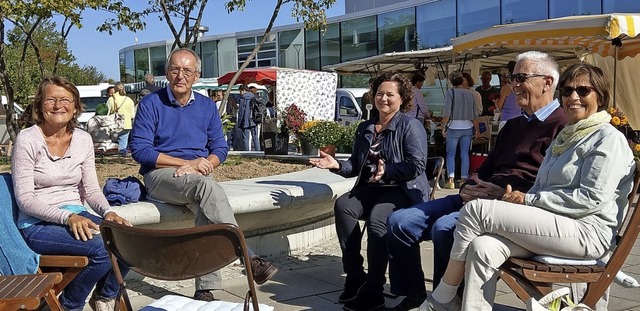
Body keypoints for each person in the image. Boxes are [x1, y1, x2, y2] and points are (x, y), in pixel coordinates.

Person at [424, 62, 636, 311]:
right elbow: (543, 186)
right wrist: (518, 197)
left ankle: (442, 298)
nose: (573, 97)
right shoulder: (567, 136)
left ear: (600, 96)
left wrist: (528, 200)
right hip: (555, 224)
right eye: (567, 91)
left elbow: (590, 199)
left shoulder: (607, 138)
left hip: (587, 232)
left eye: (583, 91)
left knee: (476, 211)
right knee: (483, 246)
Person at [386, 51, 569, 311]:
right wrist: (469, 185)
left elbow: (551, 184)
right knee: (399, 222)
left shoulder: (562, 127)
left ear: (547, 83)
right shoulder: (513, 126)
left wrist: (502, 193)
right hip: (478, 196)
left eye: (520, 77)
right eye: (511, 77)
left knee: (444, 228)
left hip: (512, 206)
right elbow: (486, 167)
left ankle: (448, 302)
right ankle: (413, 295)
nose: (513, 84)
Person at [129, 48, 277, 302]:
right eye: (175, 69)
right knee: (207, 188)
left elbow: (220, 147)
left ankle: (205, 289)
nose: (180, 76)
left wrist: (205, 163)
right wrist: (187, 163)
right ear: (166, 73)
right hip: (161, 175)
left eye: (187, 71)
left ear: (196, 76)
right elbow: (140, 150)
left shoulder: (207, 106)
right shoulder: (150, 104)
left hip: (196, 177)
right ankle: (248, 257)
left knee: (205, 207)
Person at [309, 72, 429, 311]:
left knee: (377, 219)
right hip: (371, 188)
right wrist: (336, 165)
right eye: (379, 93)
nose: (383, 98)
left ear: (403, 97)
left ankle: (374, 287)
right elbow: (355, 164)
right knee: (344, 205)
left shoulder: (410, 125)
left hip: (403, 190)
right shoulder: (365, 127)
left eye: (390, 94)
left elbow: (417, 165)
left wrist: (390, 170)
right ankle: (355, 276)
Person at [12, 76, 132, 311]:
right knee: (101, 248)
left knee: (129, 239)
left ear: (76, 106)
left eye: (65, 100)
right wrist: (67, 218)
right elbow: (25, 200)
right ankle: (69, 305)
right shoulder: (27, 140)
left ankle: (105, 296)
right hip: (37, 224)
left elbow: (90, 190)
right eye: (51, 100)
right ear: (39, 105)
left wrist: (108, 212)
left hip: (76, 215)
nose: (58, 106)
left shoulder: (83, 139)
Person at [442, 72, 480, 189]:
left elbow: (447, 112)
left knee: (451, 154)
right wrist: (477, 130)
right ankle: (463, 179)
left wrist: (443, 126)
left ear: (451, 82)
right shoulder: (470, 94)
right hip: (468, 126)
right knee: (464, 154)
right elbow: (475, 114)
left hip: (453, 126)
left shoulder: (450, 93)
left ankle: (451, 180)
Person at [106, 82, 135, 156]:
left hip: (114, 124)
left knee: (112, 141)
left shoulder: (111, 99)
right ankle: (122, 154)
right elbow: (132, 115)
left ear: (115, 89)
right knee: (123, 141)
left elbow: (107, 113)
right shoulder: (129, 100)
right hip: (126, 124)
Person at [496, 61, 520, 130]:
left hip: (507, 119)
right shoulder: (523, 87)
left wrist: (496, 101)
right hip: (520, 120)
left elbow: (499, 105)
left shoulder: (506, 88)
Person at [237, 85, 261, 151]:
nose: (240, 93)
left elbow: (241, 112)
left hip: (245, 121)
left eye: (240, 91)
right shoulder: (254, 96)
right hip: (254, 120)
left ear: (243, 90)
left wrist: (239, 122)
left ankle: (246, 153)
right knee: (255, 137)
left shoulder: (242, 99)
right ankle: (258, 151)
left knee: (246, 138)